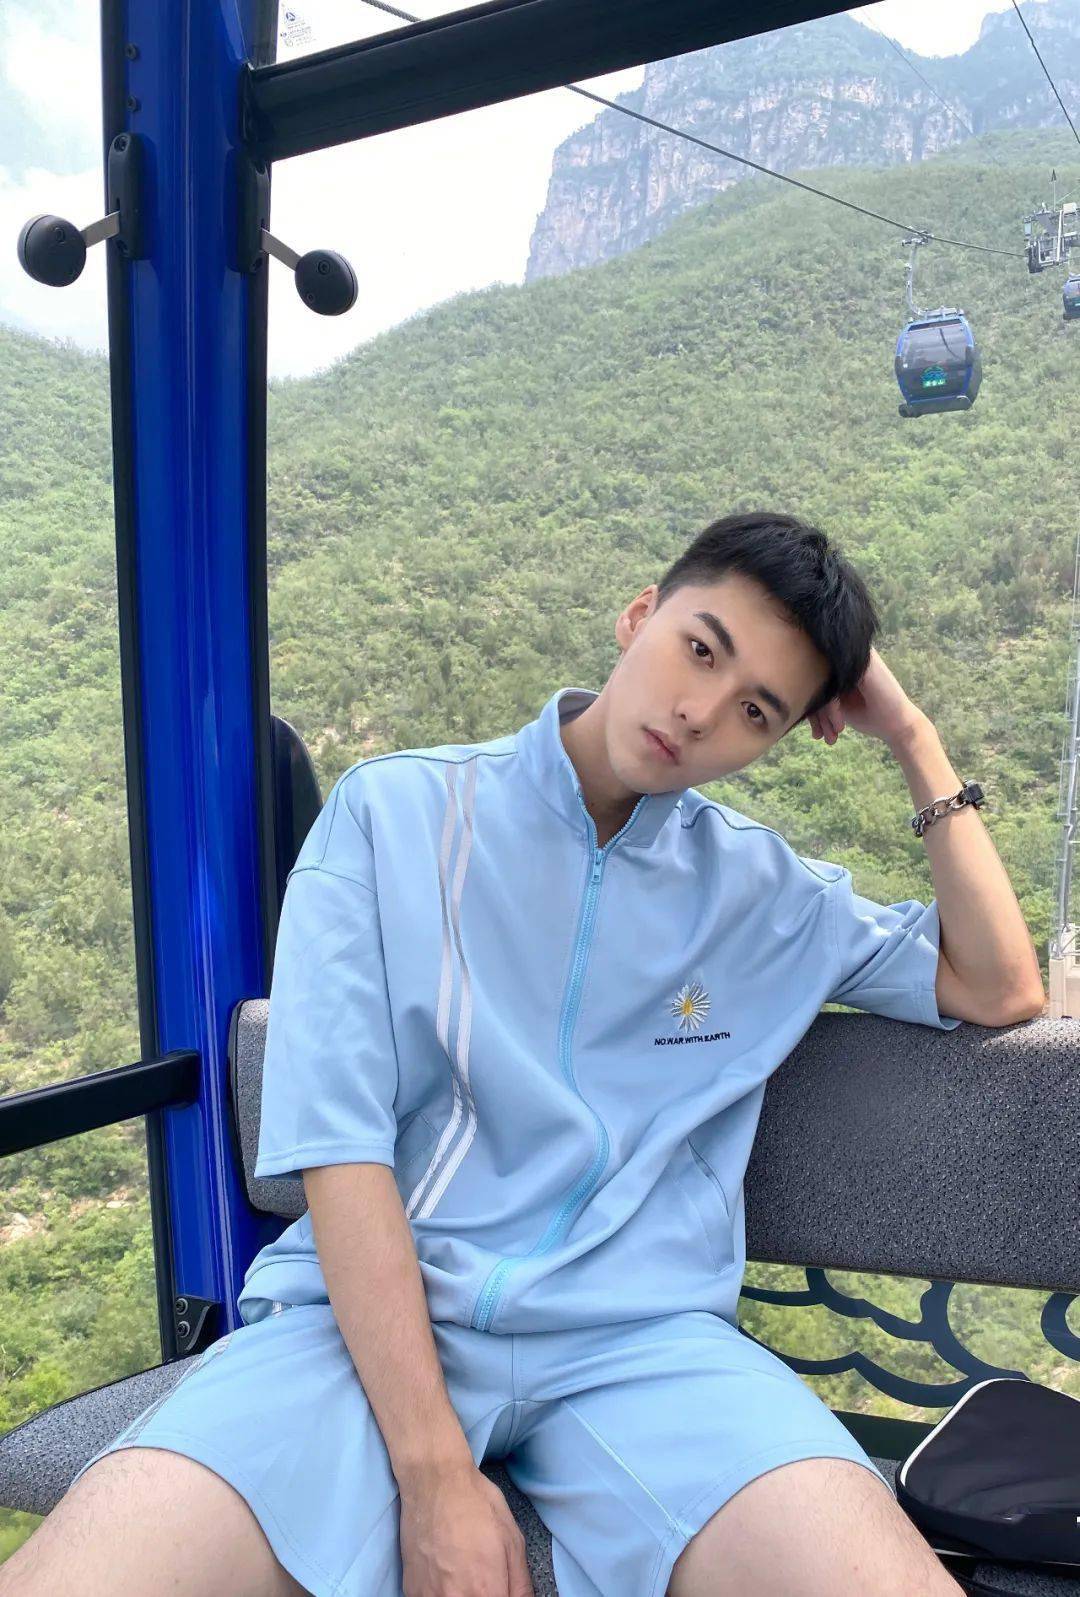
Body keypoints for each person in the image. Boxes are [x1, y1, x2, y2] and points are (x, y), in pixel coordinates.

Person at [4, 511, 1043, 1597]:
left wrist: (911, 734)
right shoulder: (393, 816)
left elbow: (1000, 984)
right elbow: (339, 1145)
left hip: (641, 1348)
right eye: (700, 648)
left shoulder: (760, 892)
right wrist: (436, 1475)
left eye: (755, 710)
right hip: (360, 1331)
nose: (700, 712)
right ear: (639, 615)